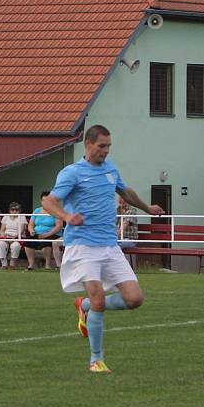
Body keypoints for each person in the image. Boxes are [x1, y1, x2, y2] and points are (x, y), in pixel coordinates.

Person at [43, 124, 164, 374]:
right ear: (88, 145)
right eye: (101, 146)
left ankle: (84, 306)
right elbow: (49, 201)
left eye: (108, 146)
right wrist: (66, 216)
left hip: (109, 245)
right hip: (83, 246)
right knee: (99, 297)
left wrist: (146, 208)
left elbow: (125, 191)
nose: (106, 151)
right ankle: (95, 360)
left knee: (135, 299)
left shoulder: (110, 168)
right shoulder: (72, 173)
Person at [24, 191, 64, 270]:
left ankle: (47, 265)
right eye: (43, 200)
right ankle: (31, 264)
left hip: (52, 233)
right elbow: (31, 224)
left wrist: (47, 234)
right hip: (37, 233)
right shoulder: (37, 210)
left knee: (46, 242)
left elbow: (59, 226)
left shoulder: (56, 210)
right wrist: (31, 231)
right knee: (28, 242)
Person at [0, 202, 27, 269]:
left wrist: (14, 237)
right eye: (12, 209)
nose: (14, 211)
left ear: (19, 210)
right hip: (6, 236)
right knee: (0, 244)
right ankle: (4, 265)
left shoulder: (22, 217)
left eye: (16, 210)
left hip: (17, 236)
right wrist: (4, 236)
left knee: (15, 246)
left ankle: (12, 265)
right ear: (9, 210)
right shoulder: (6, 217)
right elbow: (1, 230)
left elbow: (21, 230)